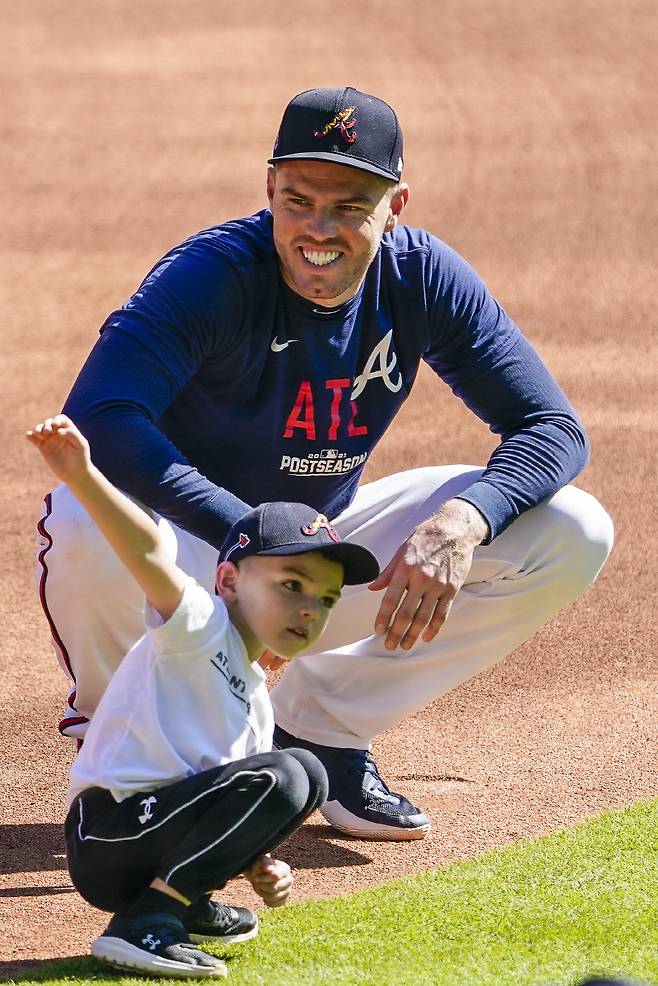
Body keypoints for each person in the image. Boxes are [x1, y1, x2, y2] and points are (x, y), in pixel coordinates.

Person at [36, 86, 614, 844]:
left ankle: (320, 729)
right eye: (298, 199)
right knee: (84, 516)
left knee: (571, 528)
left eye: (349, 206)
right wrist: (247, 537)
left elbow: (551, 426)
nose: (318, 228)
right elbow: (102, 419)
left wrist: (466, 517)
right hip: (189, 560)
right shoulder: (213, 275)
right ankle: (134, 770)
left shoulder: (421, 278)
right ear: (268, 188)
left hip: (319, 558)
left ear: (396, 203)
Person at [28, 413, 379, 979]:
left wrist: (258, 860)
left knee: (306, 777)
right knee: (295, 771)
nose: (309, 607)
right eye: (291, 585)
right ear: (230, 582)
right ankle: (145, 922)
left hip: (149, 836)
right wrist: (84, 474)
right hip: (106, 832)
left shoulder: (257, 700)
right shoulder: (197, 625)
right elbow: (146, 553)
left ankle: (181, 902)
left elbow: (229, 796)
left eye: (326, 598)